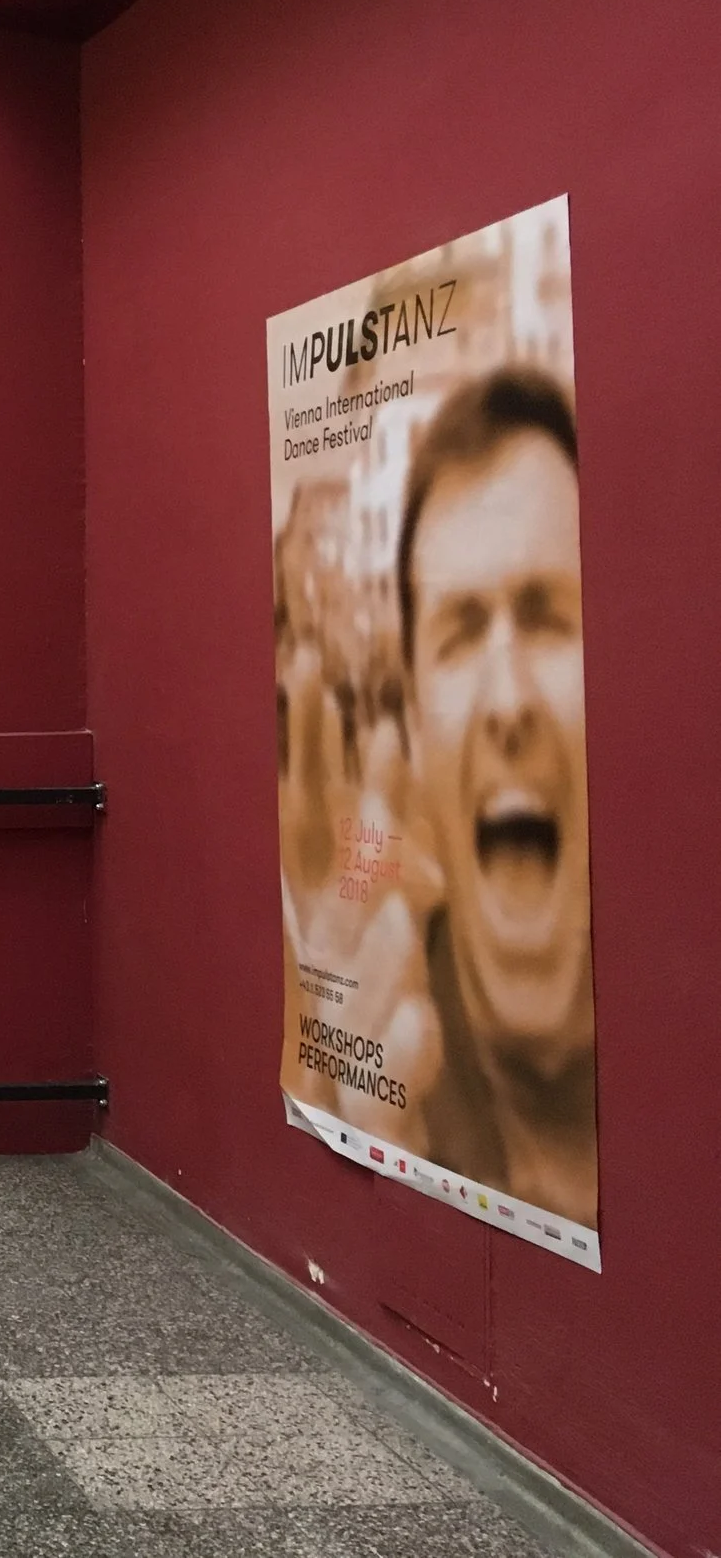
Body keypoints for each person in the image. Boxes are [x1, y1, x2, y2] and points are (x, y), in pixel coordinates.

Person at [397, 366, 595, 1226]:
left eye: (546, 616)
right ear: (413, 728)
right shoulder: (397, 1084)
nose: (508, 701)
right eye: (461, 632)